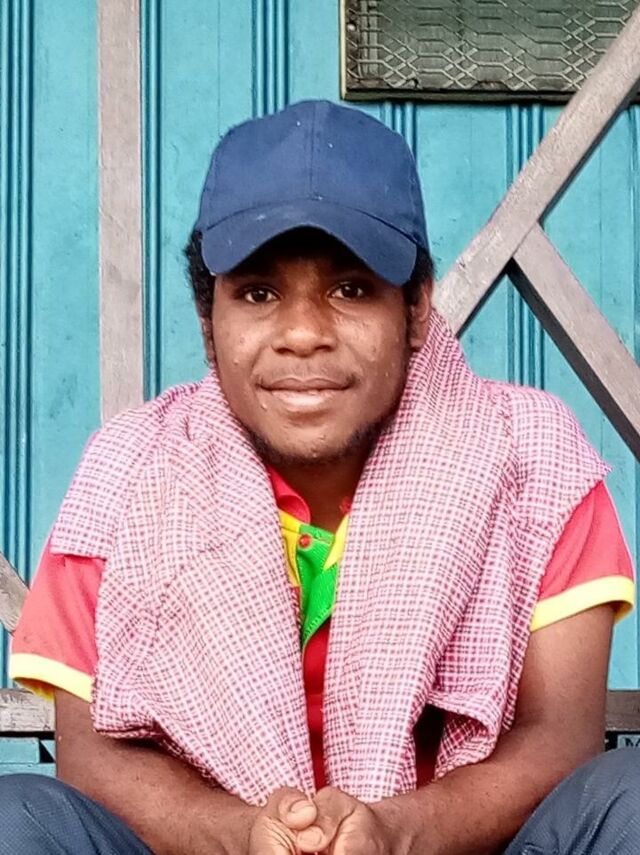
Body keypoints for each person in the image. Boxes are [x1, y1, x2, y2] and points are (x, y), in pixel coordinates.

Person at [3, 99, 638, 855]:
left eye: (351, 288)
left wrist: (394, 832)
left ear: (416, 308)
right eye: (258, 293)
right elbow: (94, 758)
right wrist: (244, 834)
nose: (303, 334)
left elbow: (557, 738)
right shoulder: (131, 472)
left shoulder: (530, 456)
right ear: (209, 322)